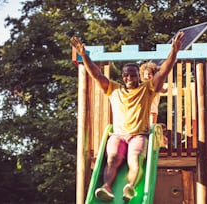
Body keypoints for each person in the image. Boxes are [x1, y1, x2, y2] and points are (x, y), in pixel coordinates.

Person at [70, 32, 184, 202]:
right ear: (122, 77)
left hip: (139, 134)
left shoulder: (147, 89)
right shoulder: (114, 89)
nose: (129, 78)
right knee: (113, 158)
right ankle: (106, 187)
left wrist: (174, 52)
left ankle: (130, 186)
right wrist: (84, 56)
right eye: (126, 75)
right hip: (118, 134)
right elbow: (96, 74)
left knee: (134, 157)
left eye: (133, 75)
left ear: (138, 75)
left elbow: (163, 72)